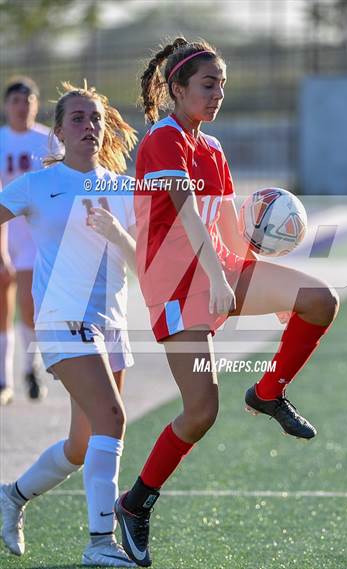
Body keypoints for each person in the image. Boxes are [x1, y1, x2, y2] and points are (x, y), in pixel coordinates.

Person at [114, 38, 340, 567]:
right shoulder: (162, 140)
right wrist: (220, 279)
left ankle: (267, 393)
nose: (218, 94)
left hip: (220, 270)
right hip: (175, 288)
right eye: (208, 85)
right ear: (177, 88)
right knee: (200, 411)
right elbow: (186, 211)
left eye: (222, 85)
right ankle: (135, 503)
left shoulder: (212, 148)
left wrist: (258, 255)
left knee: (318, 300)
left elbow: (222, 225)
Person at [0, 81, 138, 567]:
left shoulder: (121, 188)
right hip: (62, 318)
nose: (89, 126)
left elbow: (140, 262)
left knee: (83, 444)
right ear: (58, 131)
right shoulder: (37, 184)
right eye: (77, 118)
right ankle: (100, 543)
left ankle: (11, 495)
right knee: (113, 419)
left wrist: (118, 233)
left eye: (96, 118)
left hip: (112, 321)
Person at [0, 76, 59, 405]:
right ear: (6, 106)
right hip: (3, 229)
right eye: (15, 102)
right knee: (1, 304)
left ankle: (31, 367)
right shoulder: (1, 140)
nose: (22, 108)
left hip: (32, 233)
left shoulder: (47, 142)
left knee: (27, 303)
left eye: (28, 101)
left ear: (36, 106)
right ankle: (3, 378)